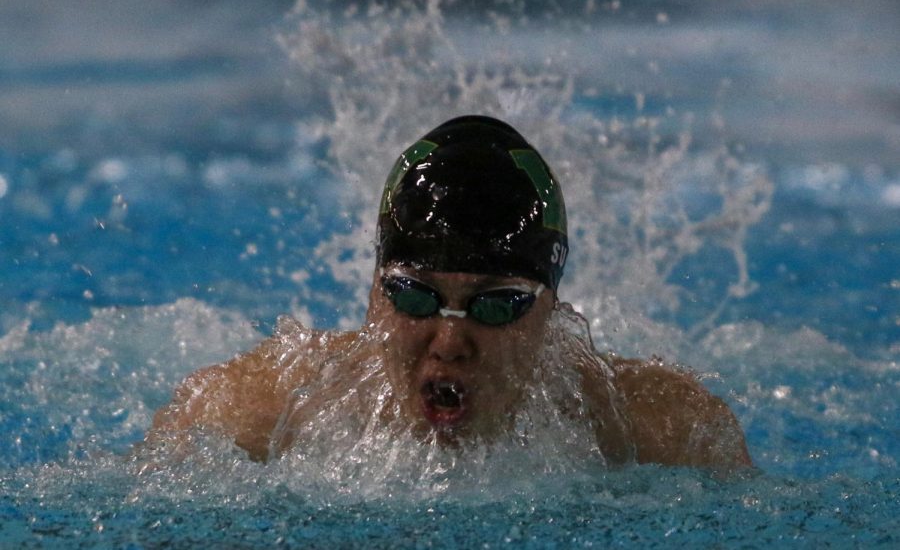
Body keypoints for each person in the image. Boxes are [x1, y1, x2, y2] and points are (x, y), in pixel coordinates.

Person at [147, 115, 752, 469]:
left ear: (553, 312)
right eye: (415, 296)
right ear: (374, 296)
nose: (450, 342)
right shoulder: (245, 414)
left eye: (496, 304)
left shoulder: (664, 430)